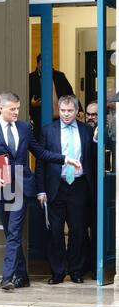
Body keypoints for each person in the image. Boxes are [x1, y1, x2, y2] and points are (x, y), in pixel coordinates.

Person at [0, 92, 81, 291]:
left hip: (22, 187)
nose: (16, 112)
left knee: (14, 232)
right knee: (10, 233)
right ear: (1, 108)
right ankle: (22, 276)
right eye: (12, 109)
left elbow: (39, 152)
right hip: (2, 188)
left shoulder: (24, 128)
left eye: (18, 108)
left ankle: (7, 277)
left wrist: (65, 159)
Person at [35, 95, 96, 285]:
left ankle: (76, 270)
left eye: (70, 111)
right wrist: (41, 190)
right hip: (56, 186)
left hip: (78, 186)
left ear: (77, 111)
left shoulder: (87, 130)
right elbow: (41, 162)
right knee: (55, 231)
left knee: (78, 230)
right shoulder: (48, 131)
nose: (66, 114)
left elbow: (95, 159)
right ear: (59, 110)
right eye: (63, 110)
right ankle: (58, 272)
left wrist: (96, 141)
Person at [29, 54, 82, 141]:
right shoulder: (31, 78)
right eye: (43, 65)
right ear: (38, 64)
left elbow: (70, 93)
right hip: (40, 121)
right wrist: (32, 104)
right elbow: (25, 99)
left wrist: (79, 109)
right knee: (43, 148)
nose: (46, 67)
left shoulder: (59, 76)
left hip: (60, 119)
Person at [84, 100, 98, 279]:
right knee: (80, 229)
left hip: (99, 188)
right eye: (88, 114)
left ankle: (97, 267)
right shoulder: (81, 130)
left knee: (96, 228)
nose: (91, 118)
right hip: (82, 188)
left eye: (94, 114)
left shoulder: (107, 130)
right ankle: (86, 263)